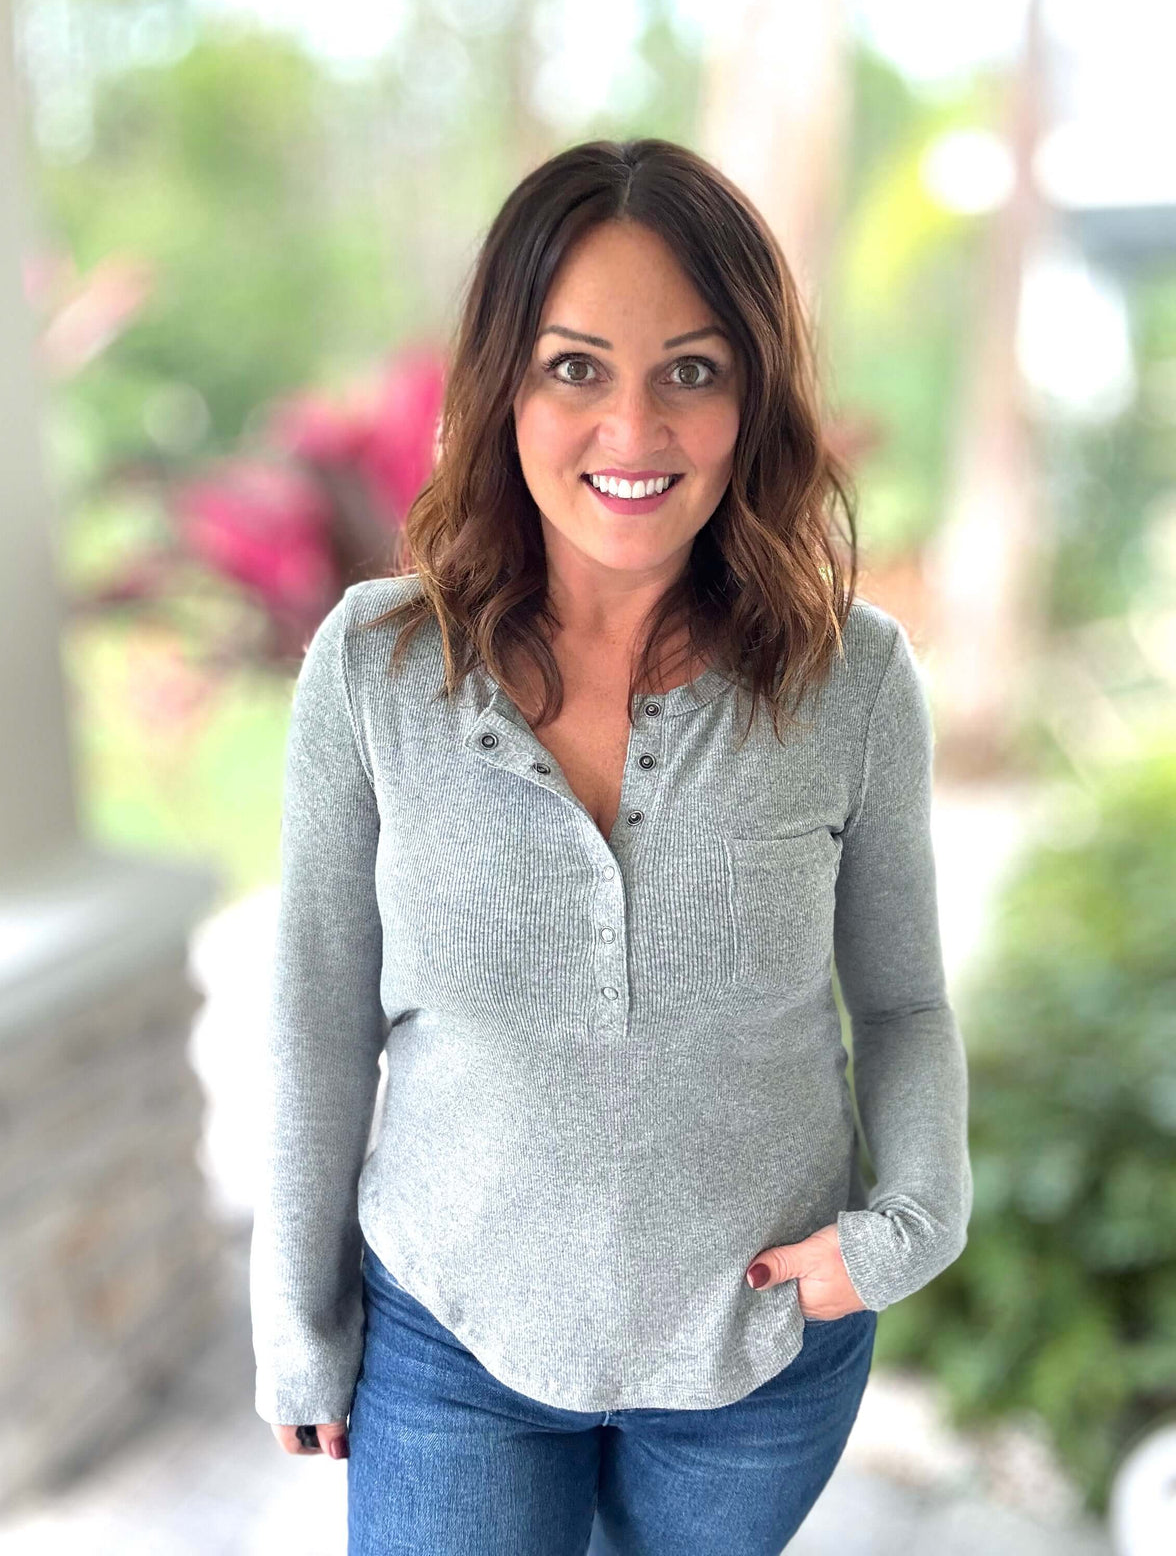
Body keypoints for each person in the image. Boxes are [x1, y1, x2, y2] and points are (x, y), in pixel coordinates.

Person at [249, 137, 973, 1555]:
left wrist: (909, 1225)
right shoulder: (372, 668)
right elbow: (316, 1020)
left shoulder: (855, 680)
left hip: (759, 1356)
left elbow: (902, 1002)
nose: (632, 431)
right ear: (504, 385)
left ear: (751, 395)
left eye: (690, 370)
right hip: (448, 1345)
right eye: (576, 367)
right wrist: (298, 1317)